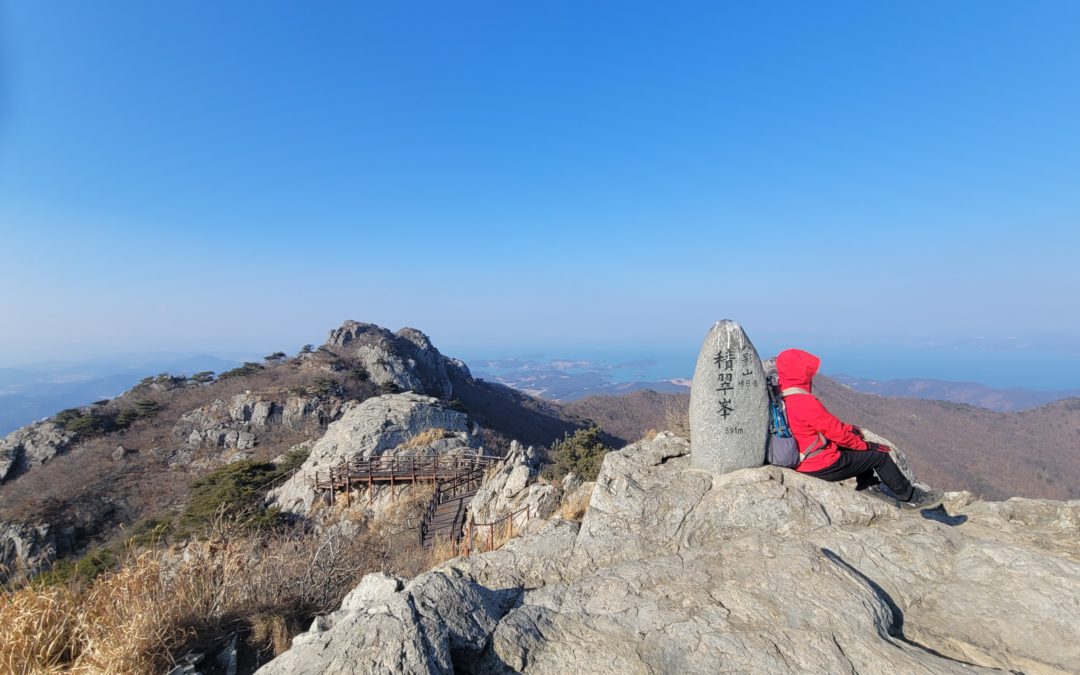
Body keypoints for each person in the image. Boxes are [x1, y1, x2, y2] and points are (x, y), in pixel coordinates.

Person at [775, 348, 944, 510]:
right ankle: (911, 498)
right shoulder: (804, 402)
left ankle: (868, 486)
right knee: (880, 456)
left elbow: (824, 426)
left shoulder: (781, 396)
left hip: (802, 457)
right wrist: (868, 446)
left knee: (856, 443)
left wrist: (850, 430)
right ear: (801, 373)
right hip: (818, 465)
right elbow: (836, 433)